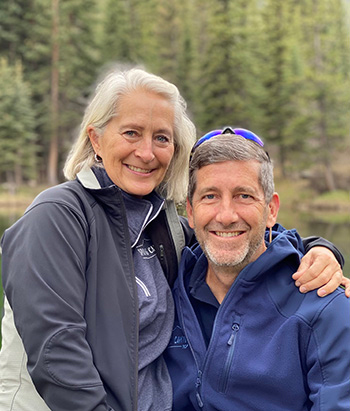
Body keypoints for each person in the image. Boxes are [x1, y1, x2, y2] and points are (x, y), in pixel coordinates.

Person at [0, 69, 347, 411]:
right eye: (132, 133)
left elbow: (241, 236)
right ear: (96, 139)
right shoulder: (57, 217)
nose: (147, 152)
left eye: (162, 138)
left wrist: (318, 248)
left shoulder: (165, 226)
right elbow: (55, 351)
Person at [164, 128, 350, 410]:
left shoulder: (324, 308)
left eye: (244, 196)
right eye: (210, 197)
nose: (226, 216)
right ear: (190, 211)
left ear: (271, 210)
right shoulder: (168, 283)